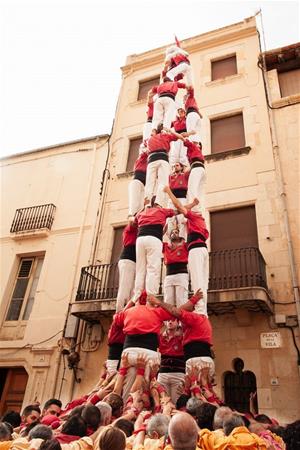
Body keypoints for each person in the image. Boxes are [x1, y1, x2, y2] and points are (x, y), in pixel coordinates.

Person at [164, 186, 209, 316]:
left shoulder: (194, 217)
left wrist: (168, 192)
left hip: (196, 250)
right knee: (203, 282)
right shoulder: (201, 222)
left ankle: (200, 311)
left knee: (197, 282)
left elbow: (179, 207)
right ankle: (203, 311)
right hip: (203, 249)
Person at [133, 201, 175, 299]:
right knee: (153, 268)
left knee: (140, 269)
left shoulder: (142, 212)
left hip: (140, 239)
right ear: (158, 206)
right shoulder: (161, 210)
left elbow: (134, 222)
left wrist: (144, 208)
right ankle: (151, 296)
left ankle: (137, 296)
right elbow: (180, 210)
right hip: (153, 239)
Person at [145, 123, 184, 208]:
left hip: (151, 160)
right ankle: (158, 203)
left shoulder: (149, 139)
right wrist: (170, 130)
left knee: (150, 183)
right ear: (163, 130)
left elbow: (147, 151)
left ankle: (147, 203)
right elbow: (180, 137)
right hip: (162, 158)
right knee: (163, 182)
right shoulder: (165, 135)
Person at [158, 318, 185, 405]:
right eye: (168, 320)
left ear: (178, 323)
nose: (170, 322)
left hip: (178, 374)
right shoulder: (161, 337)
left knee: (177, 403)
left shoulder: (182, 337)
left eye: (173, 320)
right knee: (163, 402)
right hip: (163, 374)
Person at [163, 229, 189, 306]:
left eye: (176, 232)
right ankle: (169, 318)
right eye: (172, 233)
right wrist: (164, 230)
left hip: (181, 274)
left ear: (179, 235)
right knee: (168, 301)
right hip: (169, 275)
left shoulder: (185, 245)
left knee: (181, 300)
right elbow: (156, 241)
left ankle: (182, 318)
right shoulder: (165, 246)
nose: (174, 234)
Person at [116, 223, 138, 312]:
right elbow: (133, 221)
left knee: (132, 292)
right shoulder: (129, 229)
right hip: (128, 260)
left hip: (133, 262)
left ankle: (127, 314)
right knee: (124, 289)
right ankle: (118, 314)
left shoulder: (140, 232)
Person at [184, 140, 205, 212]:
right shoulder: (197, 152)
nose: (197, 144)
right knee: (199, 190)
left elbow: (186, 142)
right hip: (201, 169)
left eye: (198, 144)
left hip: (196, 168)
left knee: (192, 188)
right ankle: (198, 209)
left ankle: (194, 209)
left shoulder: (194, 147)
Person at [128, 144, 148, 219]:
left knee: (141, 207)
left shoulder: (150, 163)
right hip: (137, 181)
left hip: (143, 185)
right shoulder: (142, 157)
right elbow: (145, 151)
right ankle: (131, 215)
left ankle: (136, 219)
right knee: (134, 203)